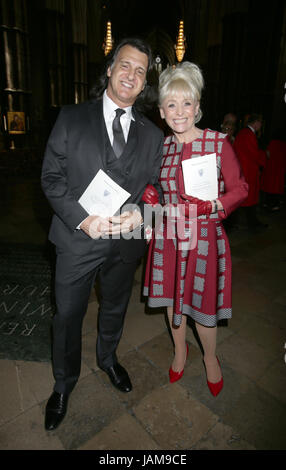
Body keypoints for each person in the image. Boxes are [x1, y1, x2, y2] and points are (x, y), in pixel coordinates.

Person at [41, 37, 164, 431]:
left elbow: (159, 189)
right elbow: (51, 177)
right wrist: (82, 218)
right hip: (77, 240)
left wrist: (141, 214)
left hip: (125, 244)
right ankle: (64, 384)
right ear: (110, 69)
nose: (131, 74)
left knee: (114, 307)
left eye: (140, 70)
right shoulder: (71, 117)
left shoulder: (153, 136)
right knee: (68, 316)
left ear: (144, 84)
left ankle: (108, 360)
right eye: (125, 65)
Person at [144, 62, 248, 396]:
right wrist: (150, 201)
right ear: (162, 110)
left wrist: (212, 206)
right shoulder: (161, 148)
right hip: (169, 237)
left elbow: (240, 189)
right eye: (171, 104)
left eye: (186, 103)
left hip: (204, 238)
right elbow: (156, 191)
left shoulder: (218, 143)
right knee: (173, 302)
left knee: (203, 307)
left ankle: (211, 358)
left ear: (198, 107)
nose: (179, 111)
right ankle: (179, 351)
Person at [233, 114, 268, 230]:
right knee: (248, 199)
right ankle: (252, 224)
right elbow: (254, 154)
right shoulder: (248, 134)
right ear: (256, 122)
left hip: (243, 170)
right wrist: (265, 155)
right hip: (248, 171)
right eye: (260, 123)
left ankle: (246, 223)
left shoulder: (243, 133)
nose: (261, 125)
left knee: (242, 199)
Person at [261, 129, 286, 211]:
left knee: (269, 185)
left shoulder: (272, 143)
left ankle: (266, 203)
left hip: (271, 168)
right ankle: (275, 204)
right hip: (279, 169)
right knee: (277, 186)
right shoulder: (284, 145)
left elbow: (268, 154)